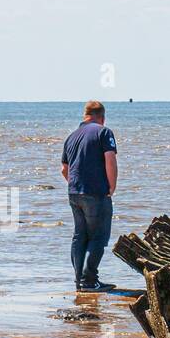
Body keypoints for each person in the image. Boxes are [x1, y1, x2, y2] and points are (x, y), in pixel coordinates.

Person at [61, 101, 118, 292]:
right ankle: (89, 281)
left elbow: (64, 170)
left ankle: (80, 281)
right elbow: (109, 159)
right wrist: (111, 186)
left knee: (80, 236)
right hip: (95, 192)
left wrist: (76, 185)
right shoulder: (103, 132)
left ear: (85, 116)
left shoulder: (71, 137)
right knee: (99, 236)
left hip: (74, 192)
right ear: (102, 117)